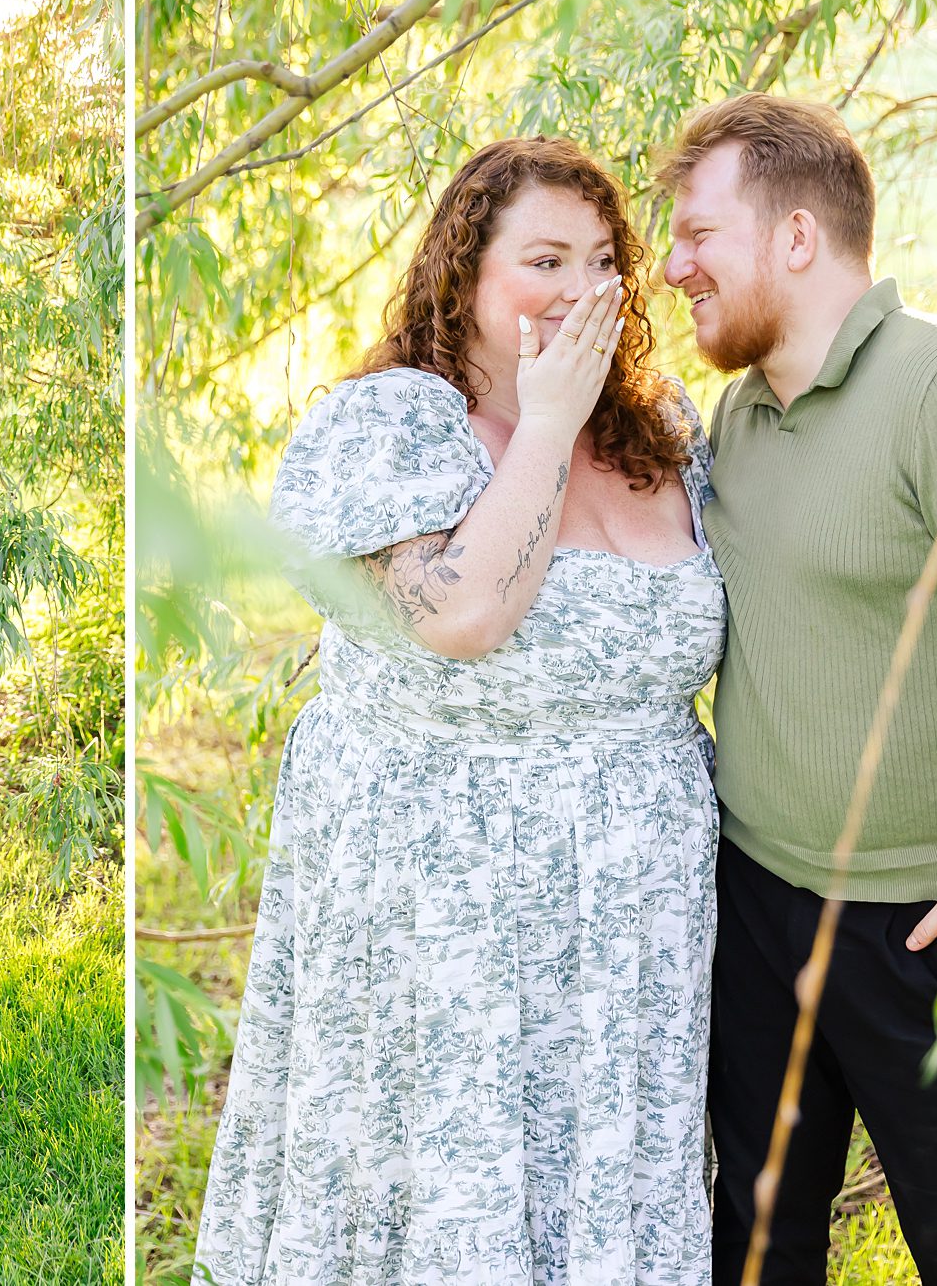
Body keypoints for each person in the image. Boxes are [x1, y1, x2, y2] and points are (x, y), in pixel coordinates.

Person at [195, 137, 726, 1285]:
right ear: (462, 276)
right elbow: (462, 612)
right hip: (442, 919)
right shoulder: (386, 425)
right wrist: (542, 423)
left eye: (601, 261)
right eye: (543, 258)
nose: (581, 290)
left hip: (627, 926)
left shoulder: (658, 429)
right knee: (445, 1191)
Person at [657, 93, 937, 1286]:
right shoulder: (741, 409)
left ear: (796, 236)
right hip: (757, 911)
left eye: (699, 233)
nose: (673, 266)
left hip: (927, 931)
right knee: (753, 1248)